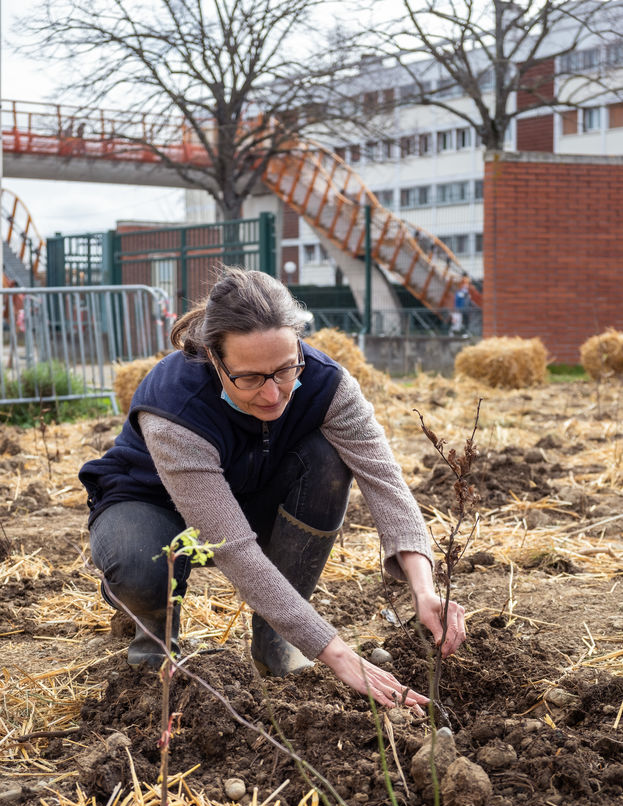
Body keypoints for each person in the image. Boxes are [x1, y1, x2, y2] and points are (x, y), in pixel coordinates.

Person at [79, 268, 465, 711]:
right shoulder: (175, 407)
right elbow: (233, 547)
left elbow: (386, 483)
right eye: (249, 378)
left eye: (284, 370)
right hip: (150, 506)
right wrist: (338, 654)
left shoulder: (328, 384)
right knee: (138, 566)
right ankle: (151, 634)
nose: (272, 394)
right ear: (214, 357)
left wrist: (424, 588)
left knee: (327, 460)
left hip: (251, 495)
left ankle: (275, 641)